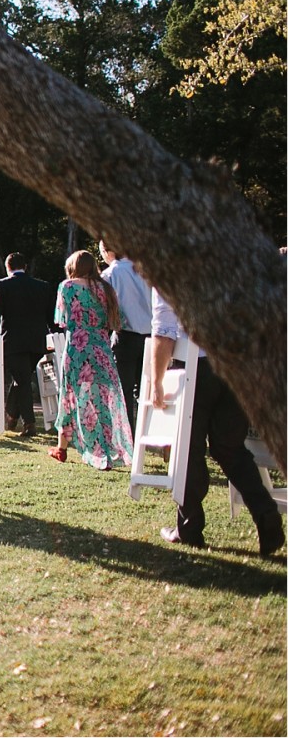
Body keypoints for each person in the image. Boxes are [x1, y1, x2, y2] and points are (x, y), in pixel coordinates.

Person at [150, 290, 284, 556]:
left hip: (197, 367)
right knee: (230, 449)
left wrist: (156, 380)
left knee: (189, 448)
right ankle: (267, 518)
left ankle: (189, 528)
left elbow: (164, 330)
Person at [49, 250, 134, 470]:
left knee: (71, 395)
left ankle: (63, 447)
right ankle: (105, 447)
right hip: (102, 349)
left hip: (77, 348)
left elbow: (62, 319)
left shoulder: (67, 287)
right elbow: (117, 321)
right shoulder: (105, 288)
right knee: (102, 400)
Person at [0, 252, 53, 438]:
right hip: (38, 342)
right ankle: (11, 416)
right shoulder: (42, 286)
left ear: (8, 267)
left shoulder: (1, 285)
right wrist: (55, 336)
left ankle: (29, 423)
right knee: (22, 378)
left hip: (13, 341)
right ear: (26, 266)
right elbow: (50, 317)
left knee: (21, 380)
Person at [98, 238, 151, 429]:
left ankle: (129, 434)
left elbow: (103, 306)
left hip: (126, 335)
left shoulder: (111, 273)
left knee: (124, 389)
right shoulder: (146, 269)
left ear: (106, 251)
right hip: (152, 337)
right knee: (147, 389)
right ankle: (150, 431)